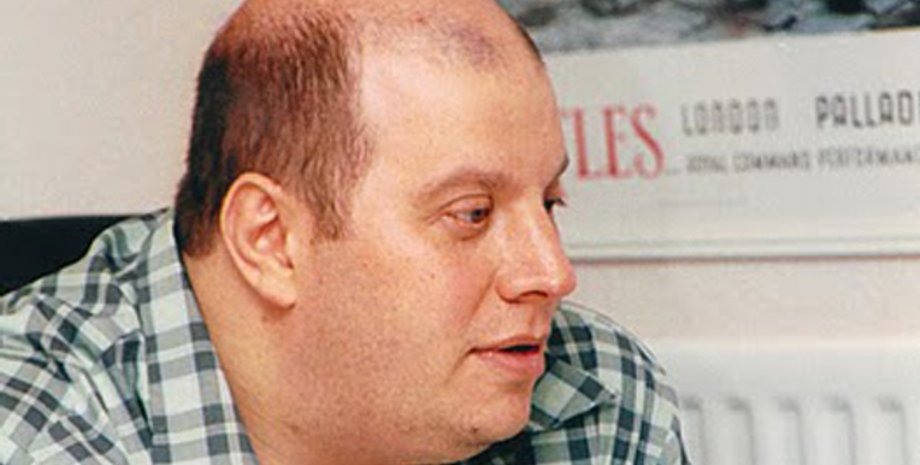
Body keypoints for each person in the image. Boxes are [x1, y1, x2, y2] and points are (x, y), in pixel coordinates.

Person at [0, 0, 690, 463]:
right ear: (271, 240)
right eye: (472, 214)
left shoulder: (595, 390)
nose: (553, 274)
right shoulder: (31, 428)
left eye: (550, 202)